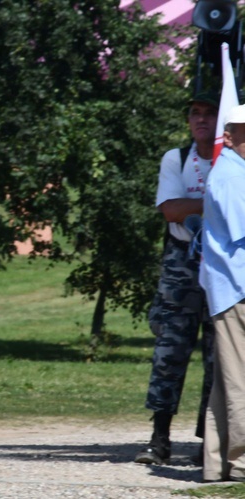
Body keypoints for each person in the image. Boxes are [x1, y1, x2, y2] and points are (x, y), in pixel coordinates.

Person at [134, 91, 217, 465]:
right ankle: (159, 437)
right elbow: (170, 211)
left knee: (220, 357)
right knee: (170, 351)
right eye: (194, 113)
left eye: (209, 113)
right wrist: (218, 202)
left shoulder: (233, 161)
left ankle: (210, 440)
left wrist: (197, 206)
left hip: (223, 262)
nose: (200, 120)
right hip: (181, 262)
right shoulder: (177, 158)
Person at [199, 103, 245, 482]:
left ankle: (216, 464)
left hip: (231, 289)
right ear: (229, 137)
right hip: (237, 290)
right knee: (240, 381)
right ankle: (242, 463)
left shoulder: (235, 171)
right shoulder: (231, 176)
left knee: (227, 382)